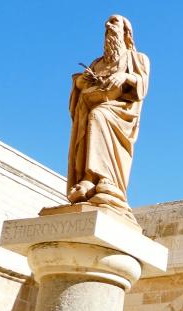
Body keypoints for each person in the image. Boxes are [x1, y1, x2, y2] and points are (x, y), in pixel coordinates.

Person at [67, 14, 150, 220]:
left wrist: (125, 76)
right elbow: (78, 84)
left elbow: (142, 87)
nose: (108, 25)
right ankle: (87, 179)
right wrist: (82, 82)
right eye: (107, 23)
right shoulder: (97, 63)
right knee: (92, 118)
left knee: (99, 114)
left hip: (120, 114)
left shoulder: (138, 59)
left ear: (126, 32)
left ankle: (105, 178)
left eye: (114, 22)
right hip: (90, 107)